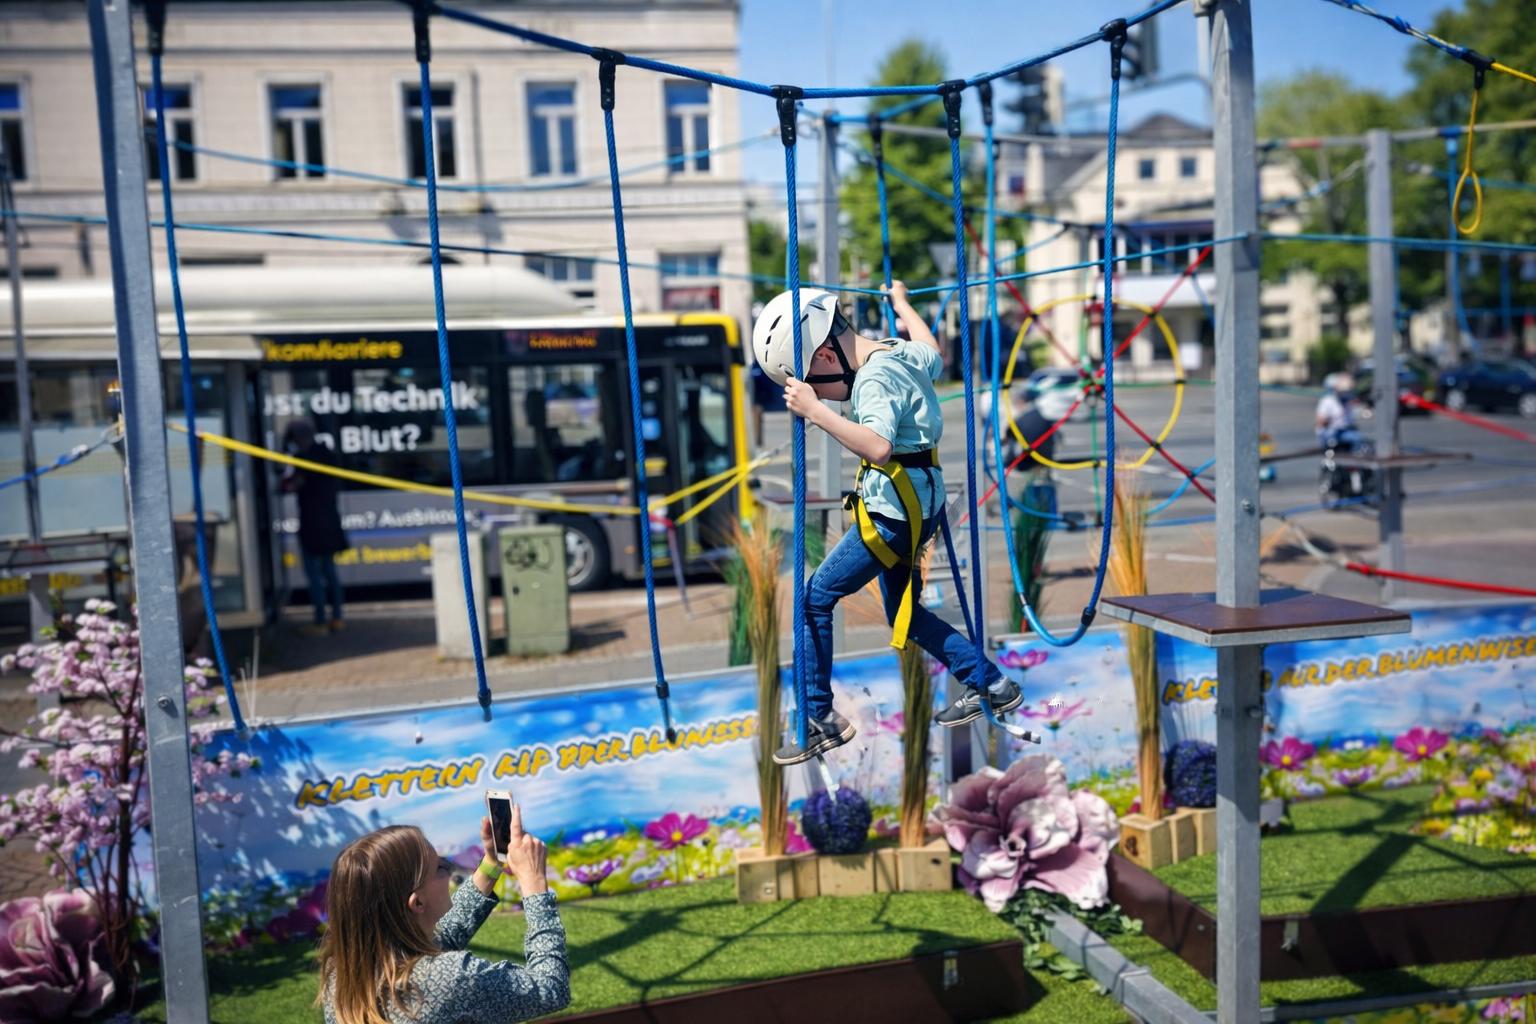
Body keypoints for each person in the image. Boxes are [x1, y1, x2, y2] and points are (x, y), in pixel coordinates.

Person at [752, 281, 1019, 766]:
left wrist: (814, 412)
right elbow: (932, 351)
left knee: (815, 600)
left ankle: (820, 719)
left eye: (819, 385)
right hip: (920, 503)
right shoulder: (897, 353)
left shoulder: (873, 380)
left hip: (893, 513)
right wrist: (903, 305)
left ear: (829, 358)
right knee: (906, 613)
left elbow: (877, 445)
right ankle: (993, 683)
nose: (827, 397)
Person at [316, 806, 570, 1024]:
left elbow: (440, 938)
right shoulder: (451, 979)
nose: (449, 873)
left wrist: (492, 864)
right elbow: (549, 988)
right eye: (440, 868)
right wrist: (534, 882)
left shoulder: (342, 972)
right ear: (416, 904)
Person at [282, 420, 348, 635]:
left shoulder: (304, 458)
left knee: (314, 575)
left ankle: (320, 622)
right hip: (329, 522)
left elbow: (292, 483)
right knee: (330, 573)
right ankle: (337, 618)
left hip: (312, 524)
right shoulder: (326, 454)